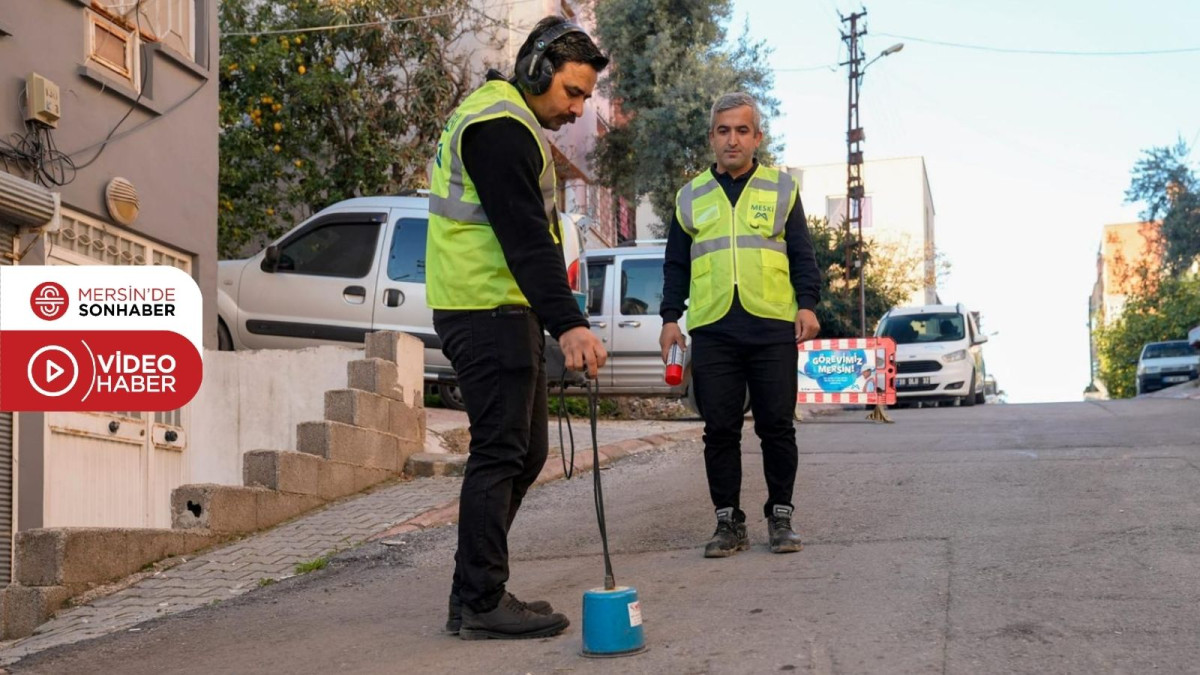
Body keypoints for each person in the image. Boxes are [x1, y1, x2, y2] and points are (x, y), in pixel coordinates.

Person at [426, 16, 609, 640]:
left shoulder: (512, 123)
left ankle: (472, 591)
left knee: (525, 452)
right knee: (502, 451)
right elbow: (526, 239)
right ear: (536, 69)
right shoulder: (500, 128)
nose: (579, 109)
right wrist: (570, 325)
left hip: (501, 309)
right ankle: (481, 601)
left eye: (586, 96)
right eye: (572, 92)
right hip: (484, 309)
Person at [659, 92, 823, 558]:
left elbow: (802, 255)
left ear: (757, 138)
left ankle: (781, 516)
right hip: (713, 328)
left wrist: (807, 305)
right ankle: (728, 521)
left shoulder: (781, 189)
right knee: (720, 430)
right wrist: (671, 319)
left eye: (742, 130)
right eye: (724, 130)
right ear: (712, 137)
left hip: (772, 325)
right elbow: (675, 265)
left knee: (776, 426)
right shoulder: (690, 196)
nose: (733, 139)